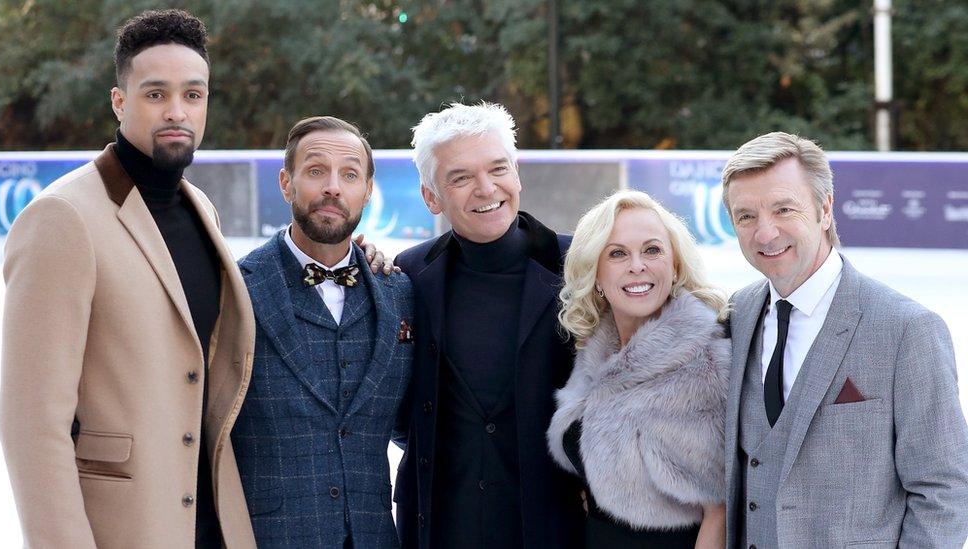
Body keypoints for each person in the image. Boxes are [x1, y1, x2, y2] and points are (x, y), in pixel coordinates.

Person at [0, 9, 257, 548]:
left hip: (213, 527)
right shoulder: (62, 218)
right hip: (123, 529)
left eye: (193, 94)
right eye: (155, 94)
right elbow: (31, 426)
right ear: (120, 102)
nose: (177, 112)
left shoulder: (200, 209)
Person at [720, 131, 968, 548]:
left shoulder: (906, 329)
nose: (765, 233)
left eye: (784, 209)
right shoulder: (737, 315)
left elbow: (945, 490)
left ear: (824, 209)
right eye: (746, 216)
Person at [392, 102, 584, 548]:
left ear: (516, 173)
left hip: (553, 527)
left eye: (497, 169)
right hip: (442, 527)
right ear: (430, 196)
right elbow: (401, 408)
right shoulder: (408, 273)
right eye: (460, 177)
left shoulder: (579, 265)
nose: (486, 188)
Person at [230, 116, 414, 548]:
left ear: (367, 190)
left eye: (349, 175)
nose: (333, 186)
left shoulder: (399, 292)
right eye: (316, 171)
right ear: (286, 183)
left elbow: (410, 425)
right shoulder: (234, 290)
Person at [546, 190, 729, 548]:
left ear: (674, 264)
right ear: (594, 272)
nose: (637, 265)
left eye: (652, 250)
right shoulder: (595, 353)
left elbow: (718, 513)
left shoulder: (703, 364)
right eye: (617, 254)